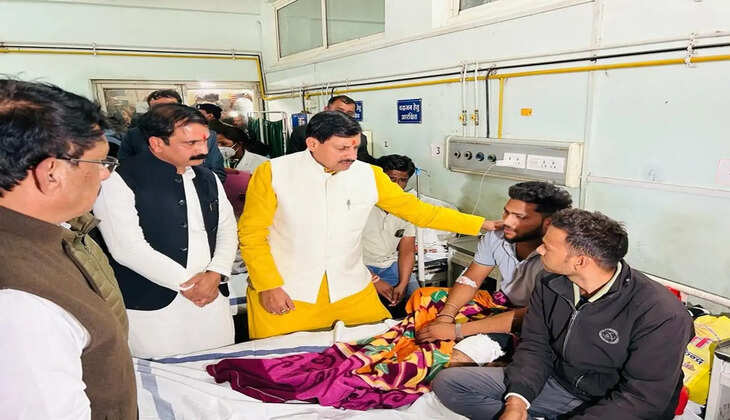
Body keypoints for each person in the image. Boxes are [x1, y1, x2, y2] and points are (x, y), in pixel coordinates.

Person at [239, 111, 502, 339]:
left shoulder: (368, 175)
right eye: (342, 148)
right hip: (288, 291)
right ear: (313, 144)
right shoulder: (274, 173)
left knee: (371, 352)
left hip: (351, 290)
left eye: (355, 147)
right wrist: (268, 285)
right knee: (284, 365)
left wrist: (483, 224)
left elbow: (419, 212)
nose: (352, 156)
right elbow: (252, 235)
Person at [433, 209, 694, 420]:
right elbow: (535, 346)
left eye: (547, 247)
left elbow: (642, 399)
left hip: (613, 403)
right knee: (450, 384)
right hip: (558, 383)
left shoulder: (660, 314)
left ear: (580, 261)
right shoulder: (550, 283)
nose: (539, 250)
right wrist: (517, 402)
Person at [0, 79, 136, 419]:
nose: (105, 175)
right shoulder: (20, 301)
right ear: (51, 173)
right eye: (99, 163)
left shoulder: (46, 236)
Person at [94, 103, 238, 358]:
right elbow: (127, 248)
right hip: (154, 305)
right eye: (191, 143)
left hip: (212, 296)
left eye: (205, 140)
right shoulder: (118, 180)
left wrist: (216, 273)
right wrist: (187, 285)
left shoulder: (208, 178)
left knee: (219, 368)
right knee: (161, 375)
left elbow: (227, 229)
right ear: (157, 143)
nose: (203, 150)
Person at [416, 181, 573, 346]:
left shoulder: (560, 254)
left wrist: (456, 330)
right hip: (503, 303)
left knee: (461, 348)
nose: (507, 222)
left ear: (547, 223)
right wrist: (446, 316)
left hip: (534, 318)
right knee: (424, 299)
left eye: (519, 217)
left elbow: (540, 312)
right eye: (506, 212)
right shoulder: (497, 236)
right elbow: (471, 279)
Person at [119, 89, 227, 182]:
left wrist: (193, 189)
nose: (164, 112)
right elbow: (125, 170)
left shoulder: (206, 135)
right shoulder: (134, 135)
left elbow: (218, 174)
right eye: (157, 107)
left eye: (170, 107)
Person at [362, 154, 420, 318]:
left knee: (418, 305)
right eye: (392, 179)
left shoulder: (406, 207)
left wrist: (403, 284)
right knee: (366, 314)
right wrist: (374, 280)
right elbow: (343, 252)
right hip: (358, 266)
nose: (397, 185)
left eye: (403, 180)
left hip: (389, 265)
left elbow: (407, 251)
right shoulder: (361, 205)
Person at [286, 95, 376, 164]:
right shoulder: (302, 133)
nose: (343, 116)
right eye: (339, 111)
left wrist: (382, 162)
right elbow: (291, 163)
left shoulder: (360, 139)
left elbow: (365, 163)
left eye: (349, 113)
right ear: (326, 110)